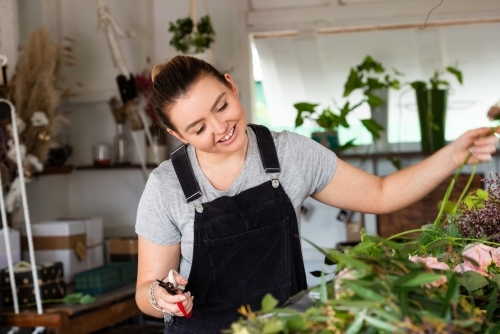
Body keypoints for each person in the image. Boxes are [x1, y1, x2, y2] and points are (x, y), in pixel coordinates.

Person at [135, 55, 499, 333]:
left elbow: (382, 194)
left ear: (231, 85)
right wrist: (161, 296)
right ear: (178, 135)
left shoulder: (290, 155)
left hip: (287, 327)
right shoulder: (166, 187)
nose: (221, 128)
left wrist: (453, 154)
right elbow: (145, 293)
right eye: (198, 128)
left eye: (222, 106)